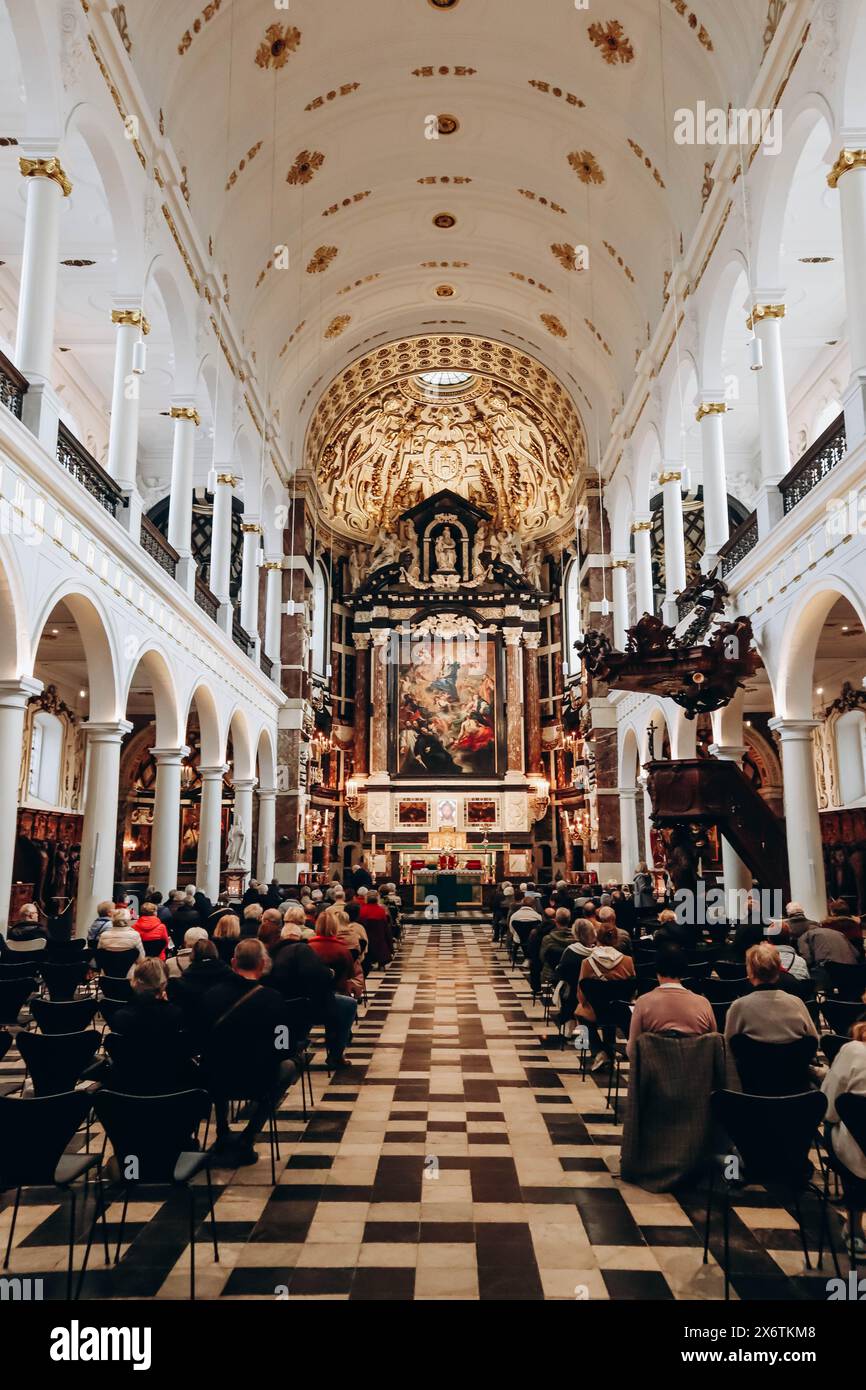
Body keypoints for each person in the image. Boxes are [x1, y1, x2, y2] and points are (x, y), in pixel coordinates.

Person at [199, 938, 297, 1166]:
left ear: (233, 963)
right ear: (263, 964)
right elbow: (285, 1047)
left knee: (217, 1061)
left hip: (215, 1078)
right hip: (258, 1078)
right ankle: (249, 1135)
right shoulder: (273, 999)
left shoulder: (210, 996)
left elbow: (200, 1037)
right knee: (289, 1066)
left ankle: (222, 1129)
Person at [821, 1018, 866, 1257]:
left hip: (857, 1157)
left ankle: (856, 1229)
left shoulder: (853, 1051)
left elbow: (828, 1109)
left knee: (838, 1126)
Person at [627, 944, 715, 1059]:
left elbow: (633, 1051)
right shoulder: (703, 1004)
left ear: (657, 970)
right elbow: (713, 1046)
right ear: (683, 971)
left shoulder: (643, 1003)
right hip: (696, 1073)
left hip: (655, 1074)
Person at [724, 943, 819, 1044]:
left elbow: (728, 1044)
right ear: (778, 971)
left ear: (750, 972)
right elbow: (813, 1039)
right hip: (791, 1059)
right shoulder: (797, 1003)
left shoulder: (738, 1006)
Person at [575, 920, 636, 1071]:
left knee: (580, 1012)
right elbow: (633, 990)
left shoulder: (587, 963)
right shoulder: (628, 961)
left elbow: (581, 995)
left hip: (597, 1011)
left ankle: (599, 1051)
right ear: (616, 939)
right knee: (612, 1007)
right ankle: (609, 1052)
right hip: (621, 1012)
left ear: (597, 938)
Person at [112, 957, 186, 1045]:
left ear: (135, 982)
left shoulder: (121, 1016)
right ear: (164, 984)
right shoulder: (175, 1013)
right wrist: (167, 1004)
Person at [554, 919, 596, 1033]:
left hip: (571, 992)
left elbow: (561, 971)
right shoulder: (597, 953)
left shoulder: (570, 951)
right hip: (593, 994)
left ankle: (568, 1029)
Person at [358, 889, 393, 969]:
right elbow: (385, 926)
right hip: (379, 938)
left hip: (366, 936)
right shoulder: (381, 910)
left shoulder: (362, 910)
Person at [539, 907, 574, 985]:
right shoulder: (575, 939)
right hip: (570, 972)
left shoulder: (547, 939)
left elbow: (542, 957)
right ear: (569, 920)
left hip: (550, 972)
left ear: (555, 920)